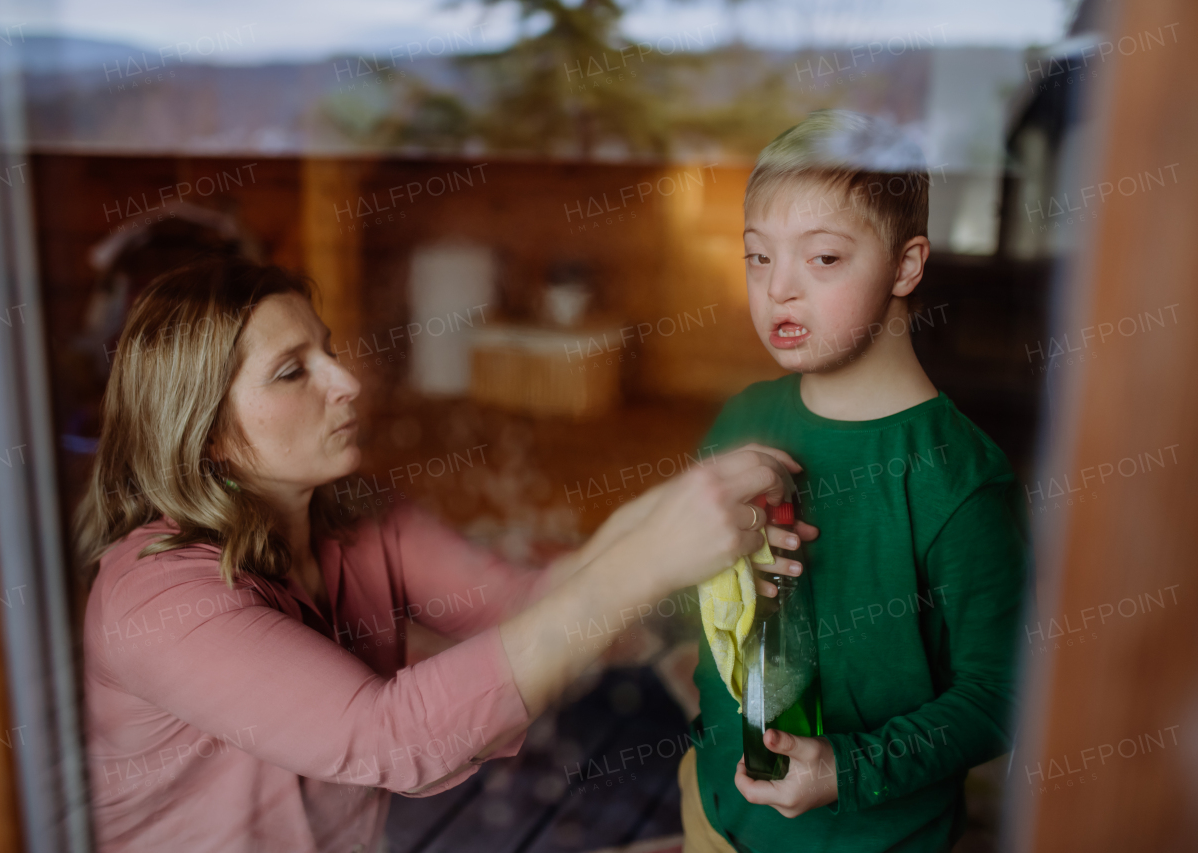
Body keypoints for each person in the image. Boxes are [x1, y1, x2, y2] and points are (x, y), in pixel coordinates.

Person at [73, 257, 814, 853]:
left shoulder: (352, 513)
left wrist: (682, 501)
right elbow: (391, 736)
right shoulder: (158, 599)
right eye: (293, 371)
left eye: (326, 350)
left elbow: (525, 601)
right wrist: (648, 560)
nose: (348, 380)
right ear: (206, 433)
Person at [678, 110, 1026, 852]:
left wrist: (849, 766)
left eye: (824, 259)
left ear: (906, 265)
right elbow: (690, 599)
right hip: (711, 810)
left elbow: (1001, 695)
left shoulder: (962, 482)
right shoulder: (742, 419)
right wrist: (721, 564)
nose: (780, 291)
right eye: (758, 257)